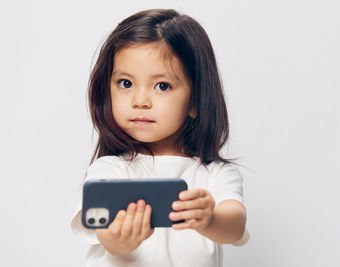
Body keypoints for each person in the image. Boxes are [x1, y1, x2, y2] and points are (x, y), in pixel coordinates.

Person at [70, 8, 249, 267]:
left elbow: (235, 225)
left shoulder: (215, 174)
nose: (140, 101)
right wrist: (121, 241)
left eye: (162, 86)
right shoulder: (109, 170)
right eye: (125, 83)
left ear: (195, 101)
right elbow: (103, 232)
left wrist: (210, 219)